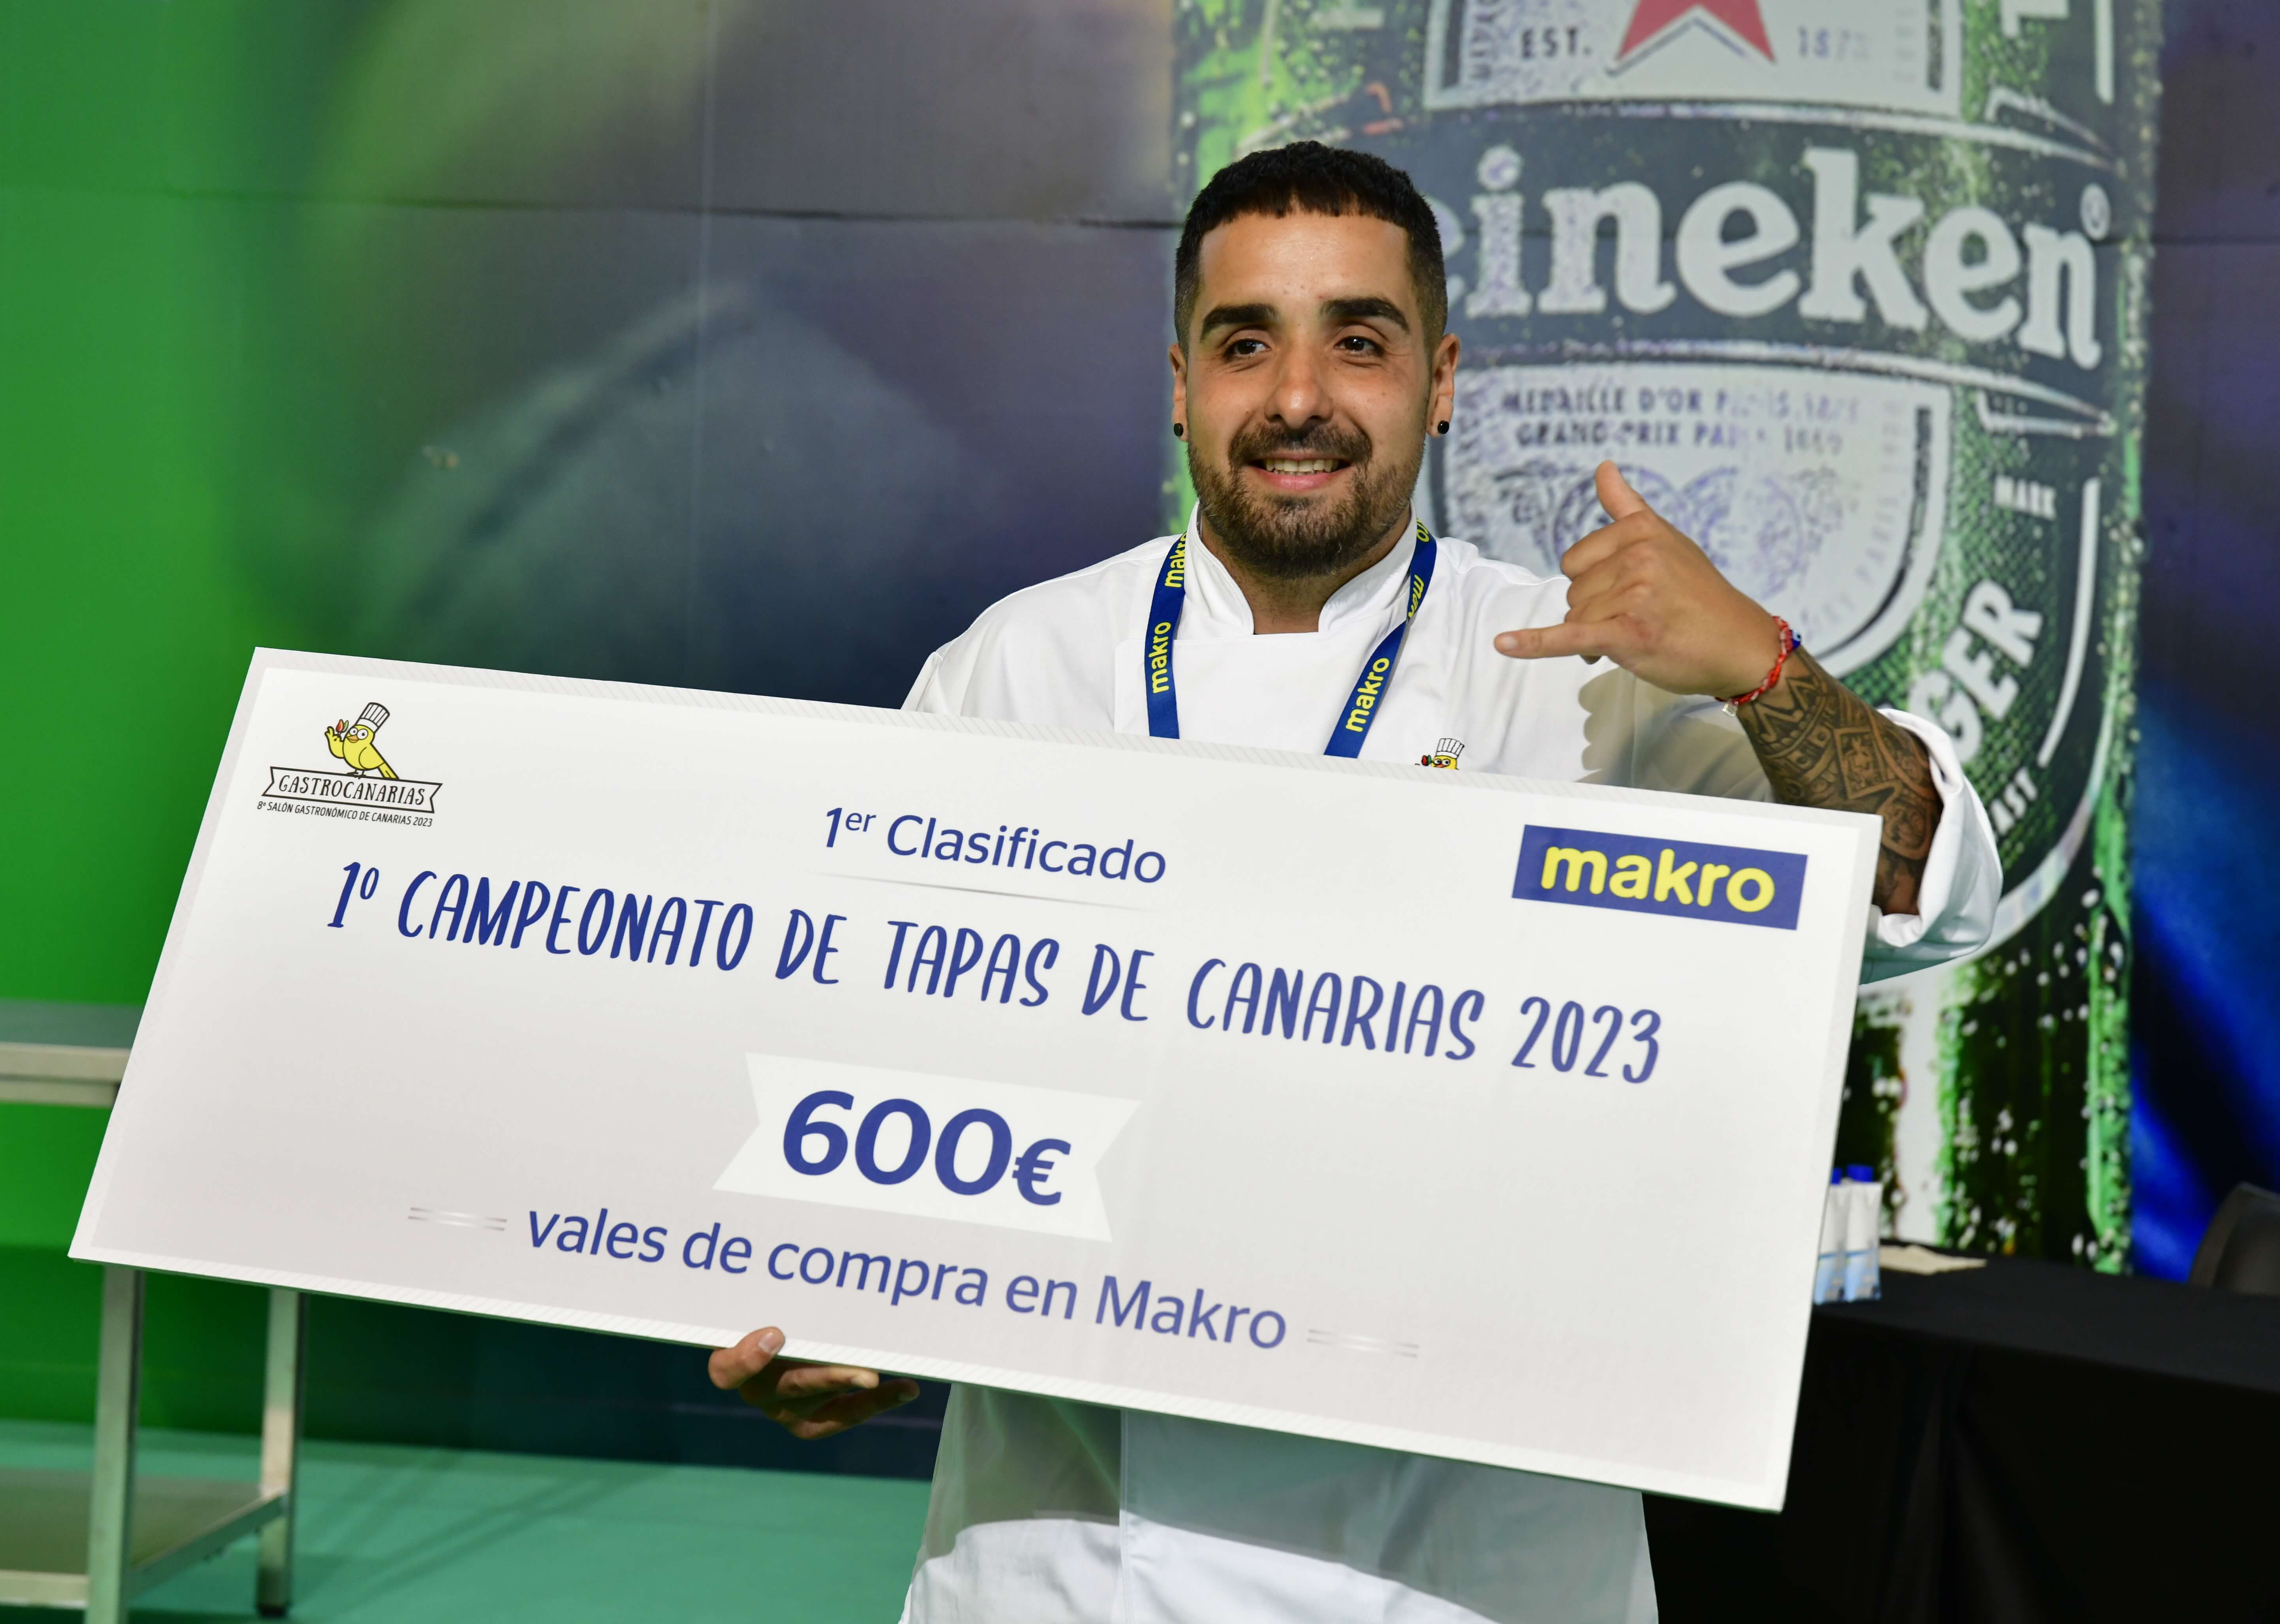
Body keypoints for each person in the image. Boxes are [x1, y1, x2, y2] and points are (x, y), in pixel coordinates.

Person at [709, 141, 2002, 1623]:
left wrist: (1764, 668)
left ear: (1440, 381)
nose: (1298, 398)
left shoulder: (1584, 681)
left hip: (1461, 1576)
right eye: (1245, 343)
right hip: (1059, 1570)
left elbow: (1918, 891)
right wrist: (854, 1316)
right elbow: (887, 1064)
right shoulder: (1018, 666)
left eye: (1360, 342)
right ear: (1181, 383)